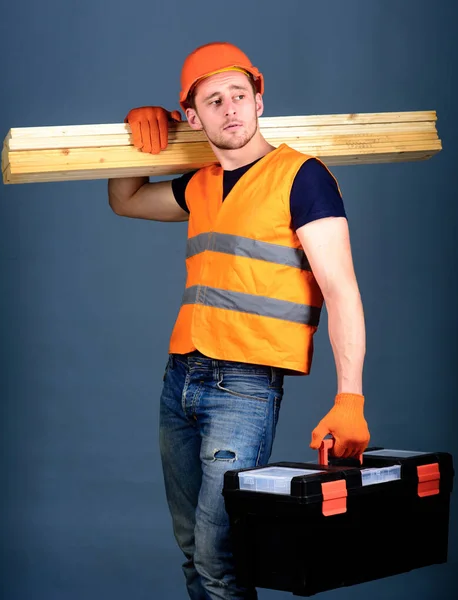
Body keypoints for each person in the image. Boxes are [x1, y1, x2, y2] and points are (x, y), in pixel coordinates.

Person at [108, 41, 370, 600]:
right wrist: (134, 139)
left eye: (238, 95)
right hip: (180, 379)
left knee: (219, 558)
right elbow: (125, 199)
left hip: (244, 388)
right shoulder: (199, 185)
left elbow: (342, 291)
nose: (229, 108)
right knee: (191, 552)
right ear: (192, 116)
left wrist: (351, 398)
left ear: (259, 99)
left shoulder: (302, 177)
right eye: (212, 100)